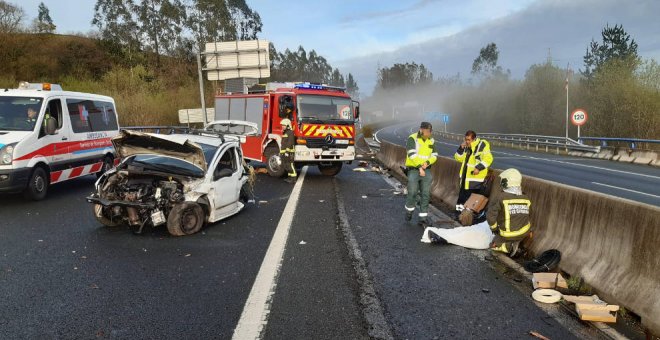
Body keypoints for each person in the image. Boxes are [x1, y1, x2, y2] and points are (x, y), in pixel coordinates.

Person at [487, 168, 532, 256]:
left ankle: (509, 246)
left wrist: (494, 229)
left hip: (507, 234)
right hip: (524, 231)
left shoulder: (500, 197)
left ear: (505, 182)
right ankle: (520, 241)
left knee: (493, 245)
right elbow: (529, 214)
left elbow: (490, 217)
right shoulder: (526, 198)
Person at [404, 122, 439, 226]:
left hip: (426, 169)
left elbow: (435, 155)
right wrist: (420, 167)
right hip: (414, 170)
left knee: (425, 194)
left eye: (430, 132)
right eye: (427, 131)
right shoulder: (412, 138)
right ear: (421, 130)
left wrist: (427, 163)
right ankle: (409, 212)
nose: (429, 134)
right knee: (413, 192)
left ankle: (422, 217)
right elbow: (411, 154)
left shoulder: (431, 140)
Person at [454, 130, 493, 208]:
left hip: (475, 180)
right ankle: (459, 215)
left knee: (469, 201)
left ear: (474, 139)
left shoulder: (482, 145)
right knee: (461, 200)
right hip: (465, 179)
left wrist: (478, 168)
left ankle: (466, 217)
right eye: (466, 139)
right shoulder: (467, 147)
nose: (467, 141)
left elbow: (488, 159)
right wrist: (461, 148)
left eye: (469, 140)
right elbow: (458, 158)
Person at [280, 114, 297, 183]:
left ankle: (293, 179)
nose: (282, 126)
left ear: (287, 125)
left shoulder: (290, 132)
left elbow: (290, 142)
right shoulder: (285, 132)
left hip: (289, 152)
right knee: (286, 165)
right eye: (282, 125)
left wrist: (287, 152)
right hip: (284, 152)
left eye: (284, 125)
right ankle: (290, 178)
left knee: (290, 165)